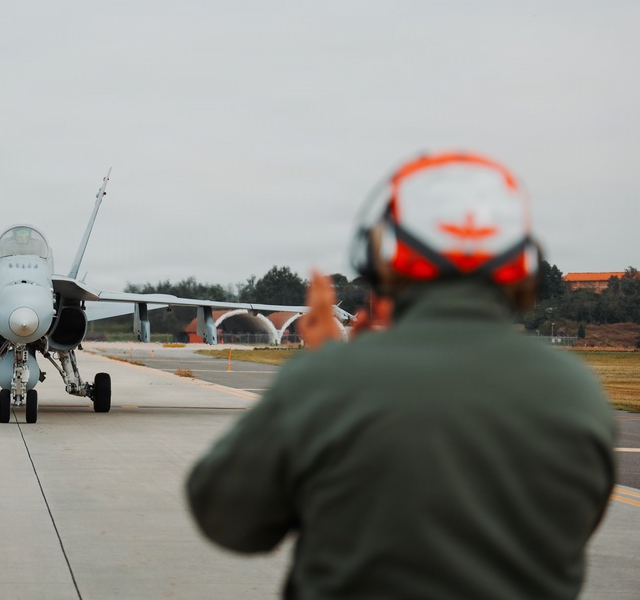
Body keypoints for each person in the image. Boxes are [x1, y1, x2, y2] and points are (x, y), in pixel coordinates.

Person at [186, 151, 615, 599]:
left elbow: (226, 518)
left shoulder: (329, 379)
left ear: (381, 259)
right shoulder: (577, 391)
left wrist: (323, 367)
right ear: (522, 264)